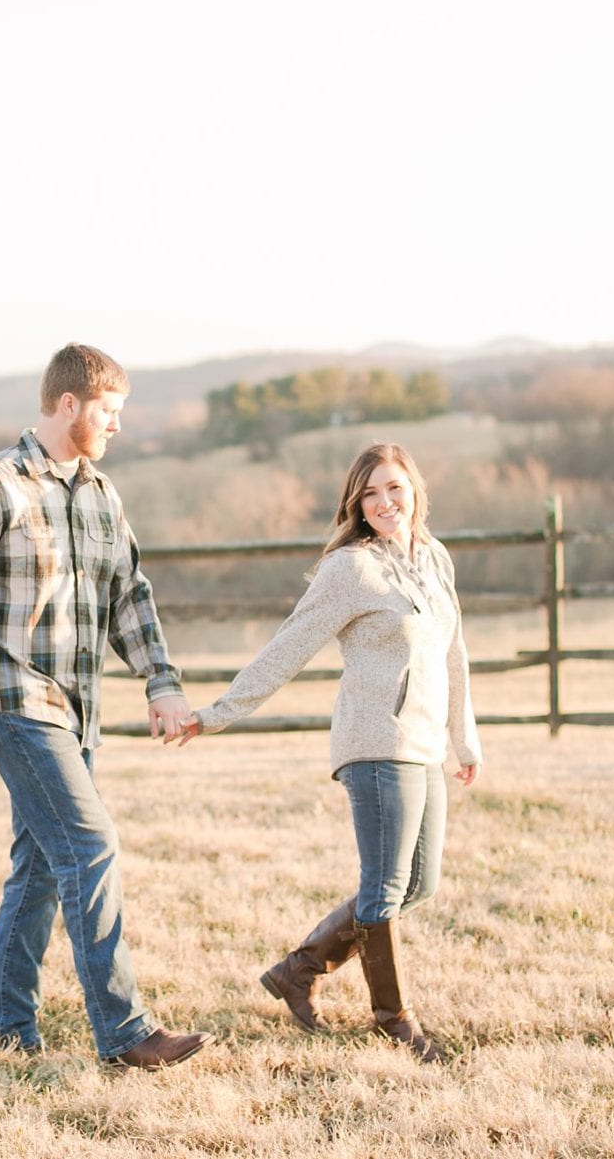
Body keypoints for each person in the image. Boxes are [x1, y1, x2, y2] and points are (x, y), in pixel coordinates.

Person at [0, 343, 213, 1070]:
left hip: (77, 710)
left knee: (42, 865)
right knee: (90, 844)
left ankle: (5, 1027)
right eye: (108, 412)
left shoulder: (101, 495)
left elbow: (129, 598)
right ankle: (125, 1031)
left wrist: (161, 680)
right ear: (70, 404)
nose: (116, 426)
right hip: (13, 700)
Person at [169, 441, 481, 1062]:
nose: (384, 502)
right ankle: (396, 1023)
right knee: (385, 886)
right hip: (374, 742)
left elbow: (453, 651)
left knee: (418, 885)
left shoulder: (433, 558)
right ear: (356, 504)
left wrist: (462, 736)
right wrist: (217, 714)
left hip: (423, 743)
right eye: (370, 493)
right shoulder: (351, 569)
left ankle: (300, 969)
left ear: (414, 489)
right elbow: (288, 646)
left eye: (394, 488)